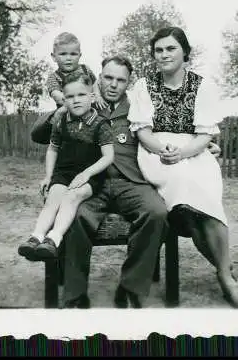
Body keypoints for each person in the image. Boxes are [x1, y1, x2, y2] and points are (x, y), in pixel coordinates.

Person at [127, 26, 238, 308]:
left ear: (185, 52)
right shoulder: (143, 86)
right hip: (156, 154)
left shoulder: (203, 86)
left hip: (194, 152)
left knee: (202, 200)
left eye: (170, 48)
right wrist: (164, 151)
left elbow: (205, 135)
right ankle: (226, 275)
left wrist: (183, 152)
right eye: (158, 50)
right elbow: (142, 131)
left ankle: (223, 273)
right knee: (183, 184)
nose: (164, 54)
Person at [61, 56, 168, 309]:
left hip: (131, 181)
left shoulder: (138, 105)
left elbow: (169, 132)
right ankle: (75, 293)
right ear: (99, 77)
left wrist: (206, 145)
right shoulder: (83, 100)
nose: (113, 84)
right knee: (75, 216)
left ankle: (130, 286)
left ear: (128, 82)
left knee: (157, 212)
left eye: (121, 80)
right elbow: (41, 132)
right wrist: (62, 106)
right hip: (92, 183)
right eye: (108, 78)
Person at [18, 72, 114, 261]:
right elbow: (53, 149)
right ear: (64, 99)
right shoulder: (61, 122)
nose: (75, 100)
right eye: (69, 96)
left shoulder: (100, 124)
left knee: (71, 196)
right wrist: (48, 176)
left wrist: (87, 174)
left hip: (91, 176)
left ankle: (54, 239)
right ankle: (36, 237)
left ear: (92, 97)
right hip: (64, 172)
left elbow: (108, 157)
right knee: (53, 198)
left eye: (81, 95)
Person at [30, 32, 108, 144]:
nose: (68, 58)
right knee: (65, 136)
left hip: (89, 109)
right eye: (63, 54)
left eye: (73, 54)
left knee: (102, 117)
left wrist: (98, 95)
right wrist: (73, 100)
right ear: (54, 57)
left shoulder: (86, 69)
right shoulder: (54, 77)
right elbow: (57, 95)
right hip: (68, 112)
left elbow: (95, 84)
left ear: (80, 55)